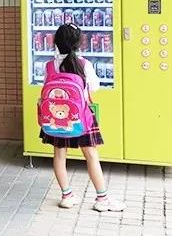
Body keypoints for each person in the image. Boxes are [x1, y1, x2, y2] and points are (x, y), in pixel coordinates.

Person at [40, 23, 125, 212]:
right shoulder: (84, 64)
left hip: (57, 118)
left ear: (57, 42)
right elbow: (94, 87)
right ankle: (102, 199)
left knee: (59, 156)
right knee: (91, 156)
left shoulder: (49, 65)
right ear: (79, 43)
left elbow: (45, 88)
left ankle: (67, 196)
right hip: (82, 118)